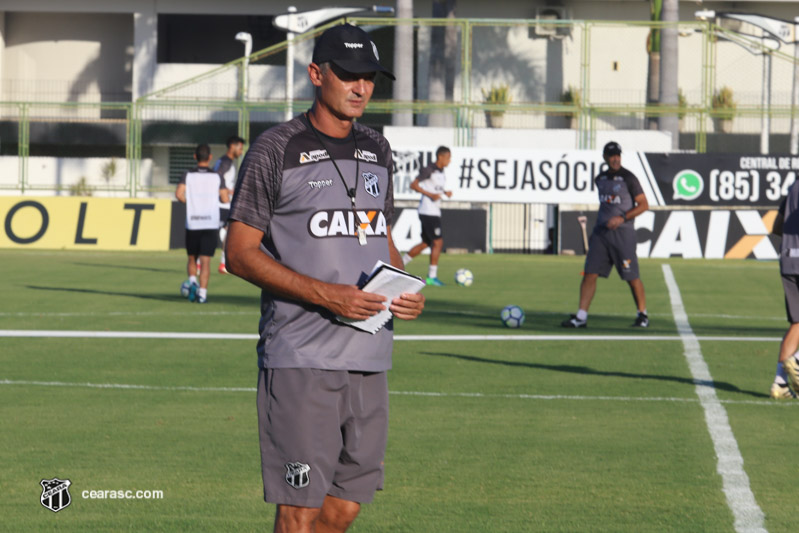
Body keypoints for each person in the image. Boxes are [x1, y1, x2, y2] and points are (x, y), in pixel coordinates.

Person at [225, 24, 425, 533]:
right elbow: (240, 254)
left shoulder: (378, 148)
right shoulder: (275, 150)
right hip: (300, 358)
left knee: (344, 508)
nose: (361, 88)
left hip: (370, 354)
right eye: (350, 76)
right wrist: (326, 294)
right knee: (299, 509)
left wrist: (402, 287)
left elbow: (379, 232)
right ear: (317, 74)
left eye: (370, 78)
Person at [561, 141, 649, 328]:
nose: (615, 159)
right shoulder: (600, 178)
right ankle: (581, 317)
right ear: (605, 158)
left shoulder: (629, 178)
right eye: (612, 156)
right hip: (601, 234)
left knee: (631, 276)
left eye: (618, 155)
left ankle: (643, 315)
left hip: (623, 234)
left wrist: (622, 218)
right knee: (589, 274)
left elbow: (643, 205)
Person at [175, 143, 230, 304]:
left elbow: (179, 194)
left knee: (192, 258)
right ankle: (203, 294)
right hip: (211, 223)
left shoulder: (188, 175)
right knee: (206, 261)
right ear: (210, 157)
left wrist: (190, 202)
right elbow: (225, 198)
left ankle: (192, 283)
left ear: (195, 156)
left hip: (193, 223)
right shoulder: (217, 176)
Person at [401, 146, 453, 286]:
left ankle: (399, 264)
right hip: (427, 211)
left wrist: (445, 192)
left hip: (434, 211)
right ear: (440, 157)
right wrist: (430, 195)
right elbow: (414, 185)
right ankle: (431, 276)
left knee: (426, 243)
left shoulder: (441, 171)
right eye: (448, 157)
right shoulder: (429, 169)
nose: (449, 160)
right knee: (438, 242)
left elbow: (435, 188)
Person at [768, 185, 799, 399]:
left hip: (788, 260)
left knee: (797, 323)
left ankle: (780, 383)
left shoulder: (793, 188)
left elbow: (777, 226)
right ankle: (795, 361)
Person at [213, 135, 245, 274]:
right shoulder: (226, 162)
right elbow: (217, 175)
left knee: (224, 231)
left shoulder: (223, 161)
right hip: (223, 204)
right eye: (240, 148)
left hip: (220, 203)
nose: (241, 151)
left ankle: (201, 264)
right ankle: (223, 263)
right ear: (233, 146)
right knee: (227, 231)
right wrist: (223, 192)